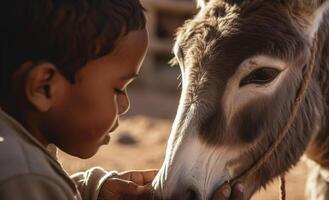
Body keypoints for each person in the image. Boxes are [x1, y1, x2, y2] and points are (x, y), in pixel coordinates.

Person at [0, 0, 244, 199]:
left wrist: (91, 191)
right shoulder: (25, 176)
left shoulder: (18, 150)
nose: (125, 105)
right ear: (44, 87)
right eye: (118, 89)